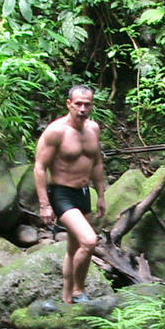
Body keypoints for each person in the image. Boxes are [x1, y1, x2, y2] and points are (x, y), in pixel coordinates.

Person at [34, 84, 107, 304]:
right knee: (89, 241)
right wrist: (44, 205)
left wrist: (101, 195)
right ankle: (77, 291)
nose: (83, 109)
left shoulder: (93, 128)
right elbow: (39, 167)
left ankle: (68, 297)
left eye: (87, 104)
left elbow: (96, 163)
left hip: (83, 193)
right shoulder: (56, 131)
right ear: (69, 104)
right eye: (78, 104)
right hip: (62, 194)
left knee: (74, 247)